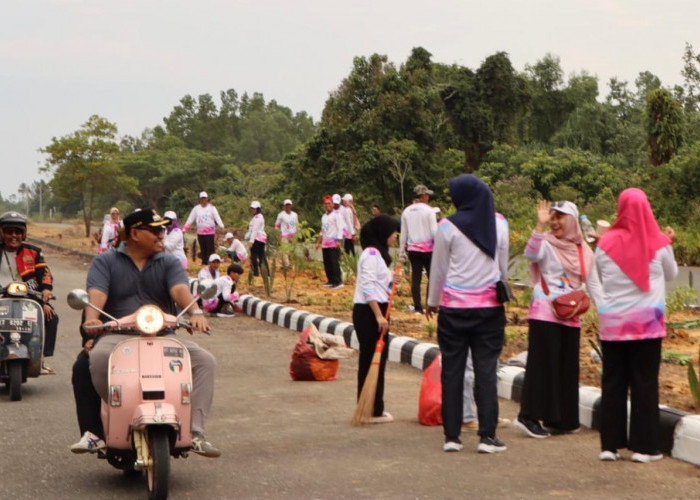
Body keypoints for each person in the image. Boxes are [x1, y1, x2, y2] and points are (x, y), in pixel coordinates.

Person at [84, 208, 220, 457]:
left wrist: (195, 312)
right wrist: (92, 320)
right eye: (156, 230)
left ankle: (196, 432)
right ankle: (113, 419)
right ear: (134, 233)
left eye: (163, 229)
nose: (162, 234)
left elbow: (180, 290)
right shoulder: (105, 262)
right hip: (118, 335)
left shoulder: (168, 261)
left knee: (203, 361)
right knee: (98, 358)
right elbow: (97, 295)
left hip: (163, 334)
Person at [592, 188, 677, 463]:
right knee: (644, 383)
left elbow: (595, 281)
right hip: (648, 327)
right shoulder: (660, 242)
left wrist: (605, 307)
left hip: (613, 325)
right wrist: (668, 244)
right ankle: (644, 448)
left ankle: (609, 445)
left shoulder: (604, 244)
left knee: (613, 382)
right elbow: (672, 275)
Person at [426, 174, 509, 454]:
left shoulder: (447, 226)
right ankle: (487, 437)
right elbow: (503, 270)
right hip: (489, 311)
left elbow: (438, 269)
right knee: (486, 370)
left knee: (453, 370)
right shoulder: (500, 223)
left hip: (453, 311)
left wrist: (432, 301)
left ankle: (452, 437)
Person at [515, 200, 602, 439]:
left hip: (571, 314)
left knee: (566, 367)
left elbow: (593, 284)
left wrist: (606, 315)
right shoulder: (545, 243)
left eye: (559, 217)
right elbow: (530, 253)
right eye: (552, 217)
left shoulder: (584, 250)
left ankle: (563, 420)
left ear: (573, 220)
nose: (554, 222)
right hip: (545, 312)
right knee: (542, 366)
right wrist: (539, 226)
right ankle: (528, 416)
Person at [353, 215, 401, 423]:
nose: (394, 238)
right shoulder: (372, 254)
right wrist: (379, 316)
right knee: (371, 360)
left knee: (375, 361)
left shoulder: (376, 255)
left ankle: (372, 407)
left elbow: (379, 283)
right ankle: (371, 410)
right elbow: (368, 287)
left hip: (374, 310)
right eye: (393, 234)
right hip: (370, 312)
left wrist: (392, 278)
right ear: (383, 233)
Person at [0, 211, 59, 375]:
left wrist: (46, 291)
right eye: (8, 231)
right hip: (1, 296)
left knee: (51, 316)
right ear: (1, 233)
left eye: (18, 232)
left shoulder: (34, 252)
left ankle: (41, 357)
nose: (13, 236)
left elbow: (45, 274)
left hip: (29, 297)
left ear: (23, 234)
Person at [400, 184, 438, 315]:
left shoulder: (407, 211)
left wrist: (401, 252)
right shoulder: (429, 211)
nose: (428, 197)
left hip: (413, 250)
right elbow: (434, 231)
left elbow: (403, 234)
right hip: (428, 250)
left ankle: (417, 308)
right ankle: (430, 305)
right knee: (431, 277)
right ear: (423, 196)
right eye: (427, 195)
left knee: (416, 278)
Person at [183, 191, 225, 265]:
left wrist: (222, 226)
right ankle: (204, 262)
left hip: (210, 231)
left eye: (205, 198)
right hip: (200, 231)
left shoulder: (212, 208)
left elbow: (217, 217)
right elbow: (190, 219)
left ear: (207, 199)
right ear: (200, 199)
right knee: (203, 247)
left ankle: (211, 262)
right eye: (202, 199)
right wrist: (185, 229)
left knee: (210, 247)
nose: (203, 200)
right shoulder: (196, 209)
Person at [316, 195, 344, 289]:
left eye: (329, 203)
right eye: (326, 204)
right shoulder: (324, 216)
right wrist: (318, 241)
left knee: (334, 262)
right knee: (327, 262)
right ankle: (330, 280)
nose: (328, 205)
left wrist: (339, 241)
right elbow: (322, 230)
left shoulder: (337, 215)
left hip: (333, 242)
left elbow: (340, 228)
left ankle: (338, 281)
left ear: (332, 204)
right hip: (325, 243)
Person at [245, 201, 268, 277]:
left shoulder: (258, 218)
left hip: (257, 239)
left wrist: (251, 241)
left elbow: (254, 230)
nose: (253, 210)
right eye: (252, 208)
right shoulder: (257, 217)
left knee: (254, 256)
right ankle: (266, 273)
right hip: (261, 238)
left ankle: (255, 272)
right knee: (262, 256)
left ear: (258, 209)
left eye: (254, 208)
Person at [275, 199, 299, 268]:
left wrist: (297, 234)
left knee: (292, 251)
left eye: (289, 205)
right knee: (285, 251)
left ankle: (292, 265)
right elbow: (277, 225)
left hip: (293, 235)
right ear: (284, 206)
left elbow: (297, 224)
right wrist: (277, 234)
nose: (288, 206)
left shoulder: (295, 215)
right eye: (286, 205)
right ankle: (287, 265)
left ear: (291, 205)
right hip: (284, 235)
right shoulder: (281, 215)